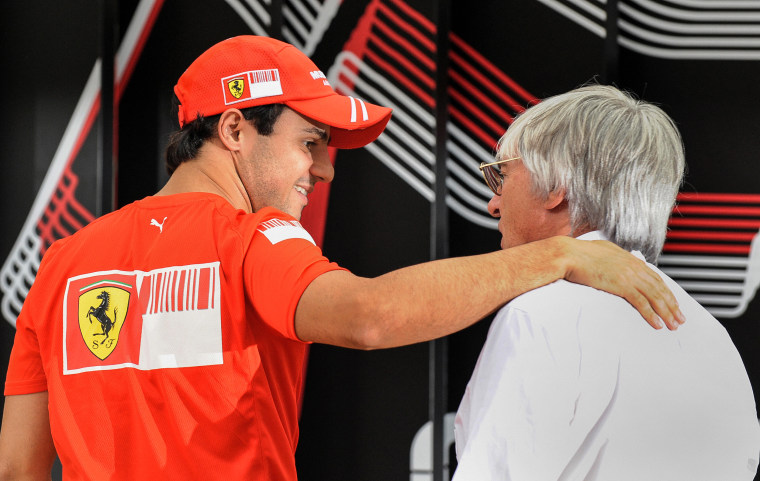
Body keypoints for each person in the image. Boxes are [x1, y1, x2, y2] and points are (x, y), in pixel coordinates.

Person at [0, 37, 682, 481]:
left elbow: (21, 465)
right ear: (234, 127)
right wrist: (559, 255)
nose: (326, 168)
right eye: (312, 141)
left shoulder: (63, 264)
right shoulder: (256, 238)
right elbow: (370, 315)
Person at [452, 84, 760, 480]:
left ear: (555, 188)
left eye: (503, 175)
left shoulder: (544, 313)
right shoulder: (711, 335)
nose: (493, 202)